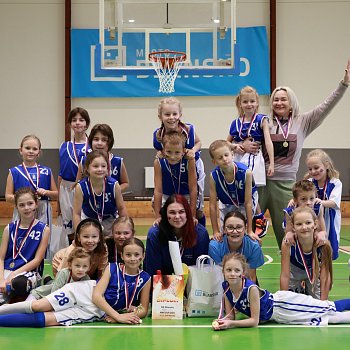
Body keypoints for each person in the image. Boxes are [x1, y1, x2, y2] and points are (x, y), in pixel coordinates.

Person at [243, 59, 350, 249]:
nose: (279, 102)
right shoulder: (263, 121)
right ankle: (247, 277)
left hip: (285, 186)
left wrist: (344, 84)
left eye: (283, 99)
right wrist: (240, 145)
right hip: (259, 183)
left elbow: (327, 106)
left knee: (289, 234)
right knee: (249, 231)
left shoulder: (303, 122)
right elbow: (237, 137)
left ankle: (297, 274)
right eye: (275, 99)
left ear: (291, 102)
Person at [0, 238, 151, 327]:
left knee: (45, 320)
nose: (132, 258)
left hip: (97, 311)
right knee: (38, 306)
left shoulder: (146, 278)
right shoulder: (112, 268)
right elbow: (97, 296)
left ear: (143, 256)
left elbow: (143, 308)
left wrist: (130, 314)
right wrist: (118, 317)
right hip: (84, 292)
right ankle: (4, 309)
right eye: (128, 254)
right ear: (122, 256)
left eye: (137, 254)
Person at [212, 252, 350, 329]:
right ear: (223, 271)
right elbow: (230, 316)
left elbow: (254, 321)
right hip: (280, 316)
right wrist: (223, 322)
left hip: (284, 304)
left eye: (237, 270)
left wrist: (231, 324)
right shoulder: (226, 289)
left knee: (327, 307)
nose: (232, 273)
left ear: (243, 272)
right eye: (228, 270)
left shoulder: (250, 289)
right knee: (323, 319)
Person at [153, 97, 206, 225]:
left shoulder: (188, 129)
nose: (171, 117)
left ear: (180, 115)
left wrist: (192, 150)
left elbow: (199, 142)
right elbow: (161, 152)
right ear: (160, 116)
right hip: (172, 164)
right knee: (163, 201)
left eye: (174, 114)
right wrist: (160, 154)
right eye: (167, 114)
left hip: (192, 163)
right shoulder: (158, 135)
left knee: (198, 206)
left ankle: (199, 228)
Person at [0, 187, 50, 304]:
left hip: (28, 273)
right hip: (7, 270)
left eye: (30, 203)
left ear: (36, 204)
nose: (26, 208)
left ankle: (13, 300)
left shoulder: (44, 229)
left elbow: (37, 260)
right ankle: (8, 299)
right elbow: (1, 258)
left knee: (19, 284)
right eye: (22, 205)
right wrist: (2, 278)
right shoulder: (9, 228)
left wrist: (12, 275)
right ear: (16, 207)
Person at [143, 194, 210, 277]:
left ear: (187, 214)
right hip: (162, 284)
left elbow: (201, 271)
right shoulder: (155, 234)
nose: (177, 217)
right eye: (172, 212)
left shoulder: (200, 234)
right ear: (165, 215)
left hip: (192, 283)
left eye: (181, 212)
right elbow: (153, 271)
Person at [5, 135, 58, 234]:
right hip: (22, 208)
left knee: (43, 238)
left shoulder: (46, 171)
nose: (31, 151)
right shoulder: (14, 172)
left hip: (42, 208)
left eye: (34, 149)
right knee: (21, 237)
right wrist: (23, 199)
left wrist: (46, 192)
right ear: (21, 150)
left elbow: (56, 194)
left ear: (39, 152)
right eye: (27, 148)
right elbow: (8, 197)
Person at [208, 140, 259, 242]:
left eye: (226, 155)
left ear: (232, 154)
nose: (224, 159)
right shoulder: (214, 176)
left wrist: (249, 230)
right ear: (214, 161)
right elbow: (212, 205)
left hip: (245, 202)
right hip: (226, 202)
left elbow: (248, 202)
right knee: (226, 232)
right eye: (220, 157)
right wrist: (216, 231)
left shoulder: (246, 173)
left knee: (241, 231)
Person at [73, 149, 128, 237]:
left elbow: (121, 208)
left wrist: (125, 227)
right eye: (95, 166)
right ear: (87, 168)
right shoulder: (81, 187)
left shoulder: (114, 185)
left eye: (103, 166)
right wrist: (78, 234)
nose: (100, 169)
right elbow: (76, 213)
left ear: (107, 168)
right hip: (88, 220)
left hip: (110, 221)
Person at [280, 207, 332, 300]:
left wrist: (323, 302)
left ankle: (308, 289)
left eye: (308, 223)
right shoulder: (287, 244)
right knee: (292, 303)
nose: (304, 227)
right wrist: (284, 299)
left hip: (314, 271)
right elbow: (285, 274)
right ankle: (299, 289)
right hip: (294, 271)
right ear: (293, 227)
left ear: (315, 224)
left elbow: (325, 275)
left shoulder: (323, 244)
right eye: (299, 224)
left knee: (316, 305)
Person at [227, 85, 274, 186]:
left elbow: (268, 141)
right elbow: (226, 143)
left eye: (252, 101)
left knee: (252, 188)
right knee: (238, 186)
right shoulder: (235, 123)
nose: (249, 104)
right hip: (237, 157)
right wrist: (235, 146)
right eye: (245, 102)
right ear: (240, 104)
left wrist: (272, 164)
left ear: (257, 103)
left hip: (254, 157)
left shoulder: (262, 119)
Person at [57, 107, 91, 243]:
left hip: (85, 188)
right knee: (69, 226)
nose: (77, 123)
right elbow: (60, 173)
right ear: (70, 124)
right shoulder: (63, 146)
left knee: (85, 222)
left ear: (87, 124)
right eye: (74, 120)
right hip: (66, 188)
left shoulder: (92, 146)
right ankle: (73, 251)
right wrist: (58, 203)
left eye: (81, 120)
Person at [153, 131, 197, 224]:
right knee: (156, 204)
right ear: (163, 150)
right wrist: (157, 216)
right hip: (166, 195)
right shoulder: (158, 162)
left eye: (177, 152)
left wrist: (193, 215)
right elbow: (158, 190)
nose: (173, 156)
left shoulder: (189, 161)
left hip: (185, 195)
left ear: (183, 151)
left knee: (190, 219)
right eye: (169, 151)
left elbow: (193, 188)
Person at [208, 211, 264, 283]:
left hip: (245, 283)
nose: (234, 231)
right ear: (224, 229)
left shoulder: (253, 246)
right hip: (221, 284)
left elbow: (251, 277)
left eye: (239, 227)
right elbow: (219, 277)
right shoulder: (215, 247)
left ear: (245, 229)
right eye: (230, 227)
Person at [305, 149, 342, 260]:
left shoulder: (335, 183)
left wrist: (321, 202)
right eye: (310, 169)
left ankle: (325, 276)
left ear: (326, 165)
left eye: (316, 168)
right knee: (313, 252)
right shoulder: (309, 182)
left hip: (330, 221)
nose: (313, 171)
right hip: (313, 221)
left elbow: (334, 202)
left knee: (328, 252)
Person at [75, 123, 130, 193]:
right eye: (96, 139)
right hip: (90, 202)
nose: (99, 143)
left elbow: (125, 183)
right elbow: (77, 184)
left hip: (111, 202)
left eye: (104, 140)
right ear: (91, 141)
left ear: (110, 142)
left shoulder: (118, 162)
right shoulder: (84, 161)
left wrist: (114, 190)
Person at [283, 180, 326, 244]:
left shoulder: (318, 208)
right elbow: (288, 231)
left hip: (311, 236)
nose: (308, 203)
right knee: (287, 240)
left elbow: (323, 230)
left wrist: (321, 234)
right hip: (296, 236)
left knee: (322, 240)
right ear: (295, 200)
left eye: (311, 198)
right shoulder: (290, 211)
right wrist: (289, 233)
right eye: (303, 199)